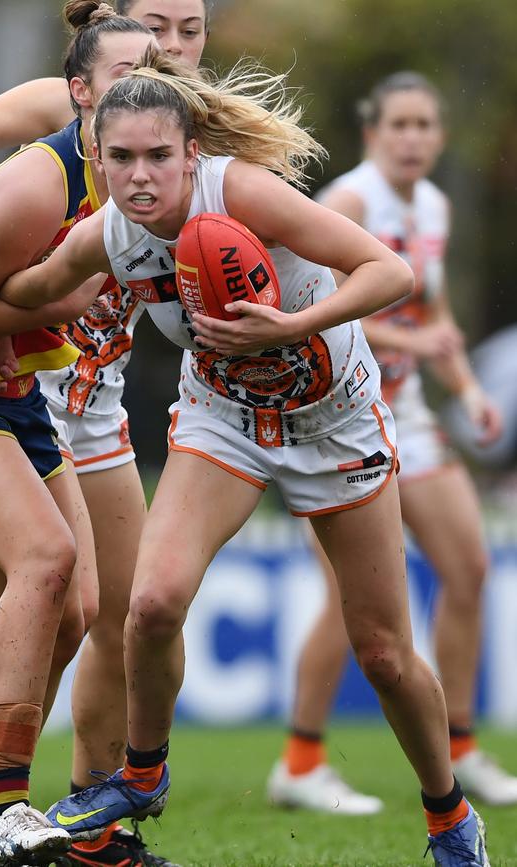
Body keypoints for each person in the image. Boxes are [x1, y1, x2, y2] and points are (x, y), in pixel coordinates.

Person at [0, 47, 490, 866]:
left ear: (193, 153)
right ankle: (142, 775)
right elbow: (34, 285)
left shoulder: (241, 191)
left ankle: (449, 817)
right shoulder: (110, 231)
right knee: (150, 604)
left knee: (384, 653)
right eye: (121, 157)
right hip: (224, 416)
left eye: (159, 155)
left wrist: (291, 325)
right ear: (97, 158)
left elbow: (388, 270)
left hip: (334, 419)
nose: (141, 176)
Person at [0, 3, 210, 866]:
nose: (168, 55)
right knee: (46, 573)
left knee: (89, 614)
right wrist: (9, 293)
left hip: (59, 392)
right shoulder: (55, 155)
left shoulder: (182, 140)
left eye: (190, 31)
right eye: (153, 32)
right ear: (82, 90)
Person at [266, 71, 517, 817]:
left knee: (467, 566)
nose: (412, 138)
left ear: (438, 138)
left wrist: (468, 389)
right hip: (339, 411)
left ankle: (461, 747)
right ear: (374, 134)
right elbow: (309, 305)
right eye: (398, 125)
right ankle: (301, 762)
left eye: (424, 126)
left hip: (407, 406)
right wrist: (408, 334)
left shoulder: (432, 205)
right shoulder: (350, 200)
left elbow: (430, 306)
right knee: (356, 600)